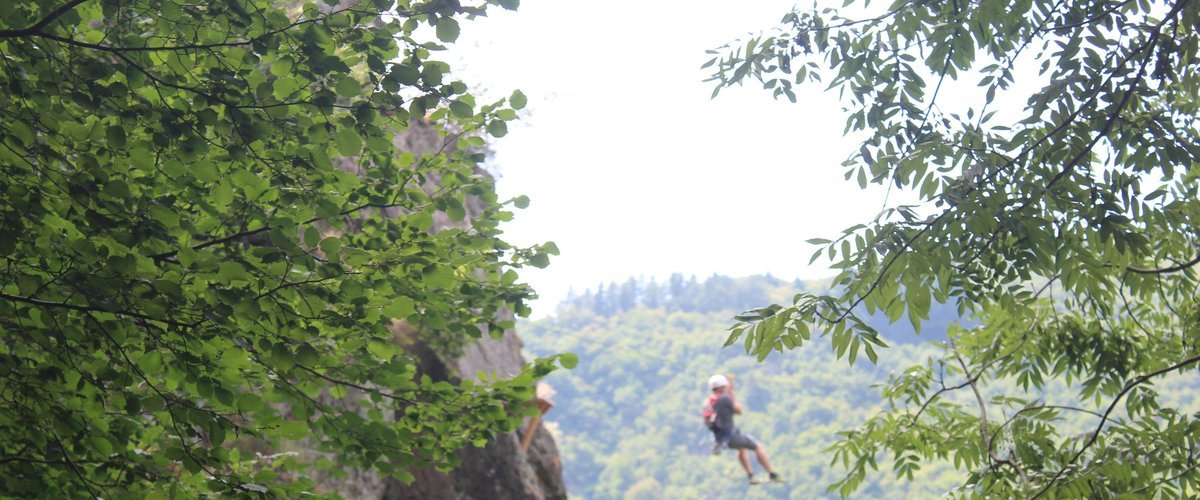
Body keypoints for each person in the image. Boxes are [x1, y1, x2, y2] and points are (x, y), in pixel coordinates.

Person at [707, 374, 781, 484]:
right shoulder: (725, 398)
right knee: (758, 446)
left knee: (741, 449)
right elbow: (739, 410)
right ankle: (772, 474)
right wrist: (732, 396)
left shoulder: (710, 400)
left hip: (720, 439)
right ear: (723, 386)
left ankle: (751, 476)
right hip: (730, 436)